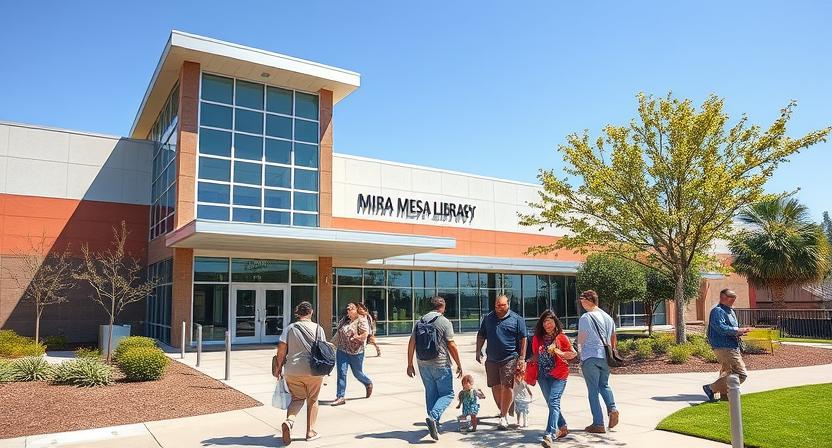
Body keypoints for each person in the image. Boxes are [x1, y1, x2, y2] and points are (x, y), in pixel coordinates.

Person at [406, 296, 463, 441]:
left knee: (430, 393)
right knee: (448, 394)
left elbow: (411, 342)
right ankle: (433, 417)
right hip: (440, 363)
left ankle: (434, 423)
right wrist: (459, 364)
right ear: (442, 307)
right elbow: (451, 344)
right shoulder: (444, 322)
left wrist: (410, 364)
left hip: (422, 363)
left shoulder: (419, 321)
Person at [272, 301, 327, 444]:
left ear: (298, 313)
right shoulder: (318, 329)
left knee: (297, 398)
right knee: (313, 399)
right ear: (311, 312)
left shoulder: (290, 328)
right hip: (313, 370)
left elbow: (281, 350)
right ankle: (310, 432)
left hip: (292, 370)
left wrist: (278, 369)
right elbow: (323, 350)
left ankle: (289, 421)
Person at [476, 294, 527, 430]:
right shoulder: (488, 318)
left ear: (508, 305)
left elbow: (523, 338)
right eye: (497, 305)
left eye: (502, 305)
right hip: (491, 358)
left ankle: (503, 416)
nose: (499, 307)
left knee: (507, 386)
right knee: (495, 386)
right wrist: (478, 350)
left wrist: (522, 358)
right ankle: (504, 408)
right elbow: (481, 335)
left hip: (510, 358)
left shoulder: (517, 319)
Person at [577, 290, 620, 434]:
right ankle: (612, 409)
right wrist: (613, 353)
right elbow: (614, 338)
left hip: (590, 357)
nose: (581, 303)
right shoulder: (608, 317)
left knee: (593, 391)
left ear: (589, 300)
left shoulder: (585, 317)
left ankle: (598, 423)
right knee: (604, 385)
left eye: (582, 300)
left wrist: (580, 356)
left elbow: (582, 338)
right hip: (606, 357)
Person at [532, 309, 576, 446]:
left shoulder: (561, 337)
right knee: (551, 404)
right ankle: (562, 427)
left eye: (550, 322)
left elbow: (572, 354)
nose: (547, 325)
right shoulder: (537, 338)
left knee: (554, 401)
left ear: (555, 323)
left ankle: (549, 434)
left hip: (559, 374)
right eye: (545, 322)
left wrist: (561, 353)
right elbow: (535, 356)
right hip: (543, 376)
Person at [702, 289, 752, 402]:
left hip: (732, 345)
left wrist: (740, 331)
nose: (733, 301)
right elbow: (721, 328)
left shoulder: (730, 311)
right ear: (723, 298)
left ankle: (726, 395)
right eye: (731, 299)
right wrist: (737, 330)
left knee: (728, 372)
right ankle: (711, 388)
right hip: (724, 346)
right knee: (740, 374)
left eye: (734, 299)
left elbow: (731, 328)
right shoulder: (717, 311)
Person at [330, 302, 373, 406]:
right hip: (342, 351)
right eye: (347, 309)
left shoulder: (362, 320)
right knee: (341, 373)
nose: (348, 311)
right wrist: (330, 345)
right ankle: (340, 397)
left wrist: (355, 337)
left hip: (356, 352)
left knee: (357, 373)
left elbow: (364, 335)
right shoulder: (344, 320)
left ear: (356, 310)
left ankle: (368, 383)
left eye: (350, 309)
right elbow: (338, 334)